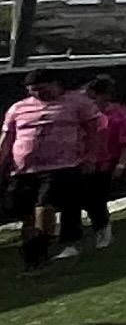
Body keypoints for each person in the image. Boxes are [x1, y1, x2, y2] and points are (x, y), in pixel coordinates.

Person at [4, 72, 98, 270]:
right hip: (23, 170)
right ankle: (31, 254)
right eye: (33, 92)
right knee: (26, 211)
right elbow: (7, 138)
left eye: (42, 89)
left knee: (44, 206)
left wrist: (90, 157)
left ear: (56, 84)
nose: (38, 95)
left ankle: (42, 247)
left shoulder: (76, 103)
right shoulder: (18, 108)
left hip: (60, 166)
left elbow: (93, 131)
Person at [73, 75, 126, 250]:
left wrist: (121, 164)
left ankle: (103, 230)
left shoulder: (118, 114)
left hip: (104, 164)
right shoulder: (77, 114)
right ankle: (75, 238)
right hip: (77, 162)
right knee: (76, 200)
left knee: (95, 199)